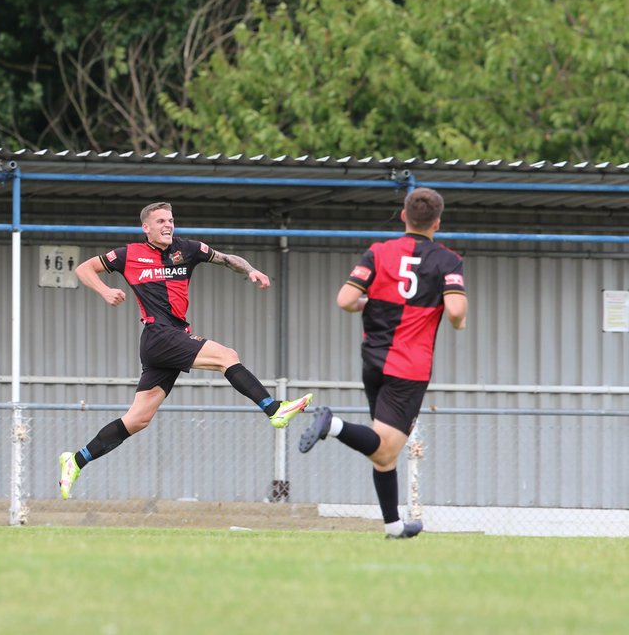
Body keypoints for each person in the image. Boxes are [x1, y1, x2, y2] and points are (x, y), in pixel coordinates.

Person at [57, 202, 313, 500]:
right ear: (146, 228)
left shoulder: (188, 249)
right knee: (226, 356)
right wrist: (104, 291)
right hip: (159, 335)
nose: (168, 225)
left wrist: (251, 269)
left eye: (171, 220)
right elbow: (84, 268)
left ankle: (75, 461)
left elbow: (226, 258)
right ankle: (274, 408)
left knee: (138, 419)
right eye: (161, 220)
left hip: (168, 338)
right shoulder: (128, 255)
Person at [299, 187, 467, 539]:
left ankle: (393, 526)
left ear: (404, 215)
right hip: (409, 366)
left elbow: (345, 299)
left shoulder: (378, 252)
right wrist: (457, 321)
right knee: (387, 444)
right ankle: (333, 426)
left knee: (383, 453)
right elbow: (455, 310)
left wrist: (368, 304)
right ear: (438, 222)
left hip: (373, 358)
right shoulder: (447, 260)